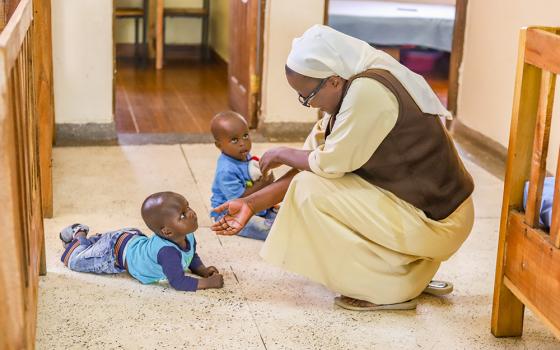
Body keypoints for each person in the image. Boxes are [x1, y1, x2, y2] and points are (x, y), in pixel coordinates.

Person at [211, 25, 474, 311]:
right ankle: (404, 275)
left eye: (307, 96)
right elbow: (313, 164)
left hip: (440, 222)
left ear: (333, 81)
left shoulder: (368, 93)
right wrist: (250, 203)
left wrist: (282, 152)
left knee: (309, 194)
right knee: (310, 186)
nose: (307, 104)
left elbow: (325, 165)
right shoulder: (350, 90)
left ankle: (388, 288)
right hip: (430, 213)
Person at [60, 191, 224, 291]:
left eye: (187, 207)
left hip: (131, 240)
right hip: (113, 253)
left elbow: (190, 255)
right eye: (182, 215)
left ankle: (94, 241)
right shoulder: (167, 252)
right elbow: (178, 282)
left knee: (96, 246)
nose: (191, 213)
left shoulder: (187, 235)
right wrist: (207, 283)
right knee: (74, 261)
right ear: (166, 231)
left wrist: (201, 269)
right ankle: (79, 233)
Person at [210, 111, 278, 240]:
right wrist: (263, 184)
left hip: (253, 205)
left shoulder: (243, 154)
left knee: (286, 216)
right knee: (268, 229)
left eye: (245, 136)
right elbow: (238, 199)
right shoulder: (226, 170)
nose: (242, 143)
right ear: (219, 145)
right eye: (234, 140)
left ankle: (268, 216)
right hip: (231, 213)